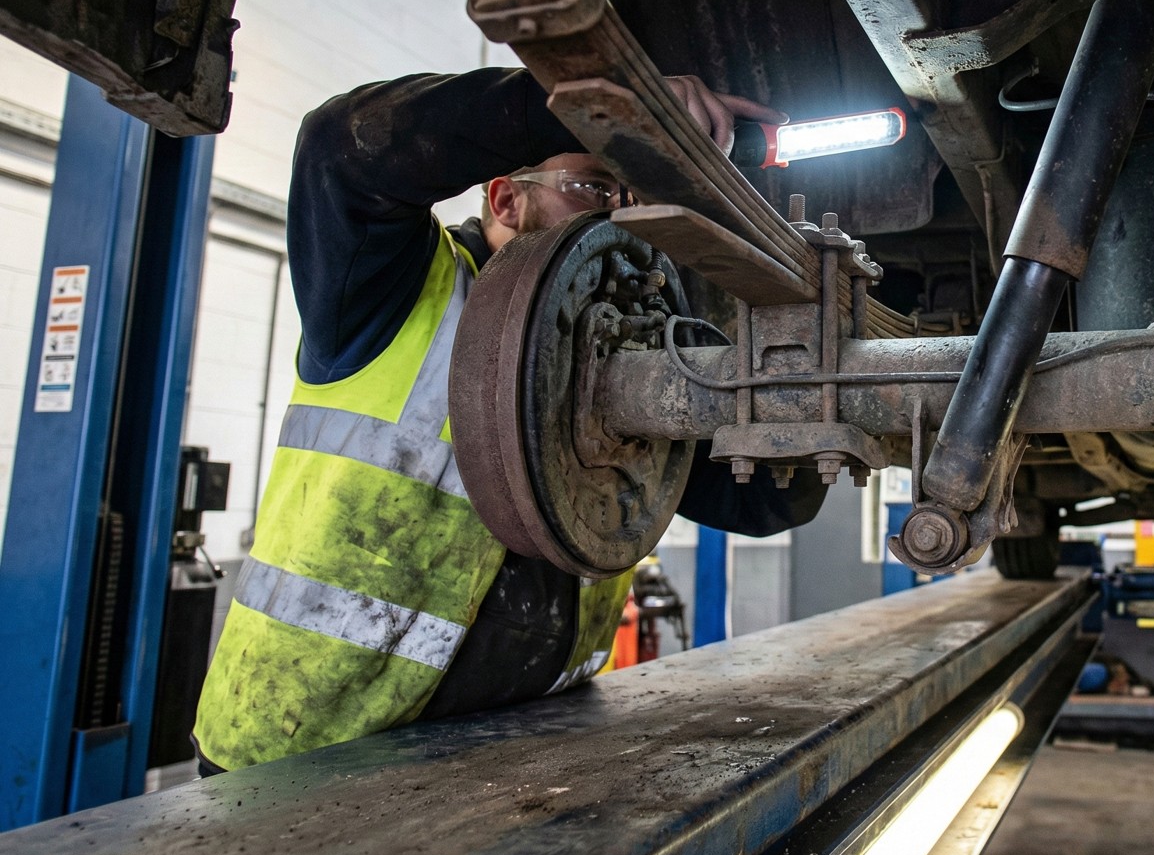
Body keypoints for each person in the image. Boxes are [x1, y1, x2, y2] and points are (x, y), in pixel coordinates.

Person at [194, 69, 817, 773]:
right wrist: (602, 107)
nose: (620, 216)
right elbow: (342, 149)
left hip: (513, 767)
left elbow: (760, 497)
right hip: (300, 765)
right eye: (594, 186)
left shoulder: (628, 347)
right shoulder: (395, 294)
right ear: (504, 199)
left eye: (634, 197)